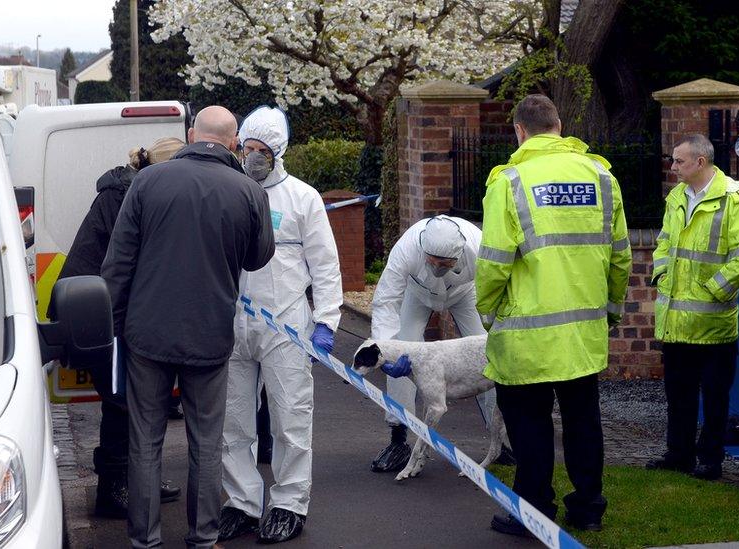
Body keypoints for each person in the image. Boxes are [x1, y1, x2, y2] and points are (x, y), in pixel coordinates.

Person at [101, 105, 275, 549]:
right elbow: (258, 257)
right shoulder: (249, 191)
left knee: (145, 441)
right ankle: (202, 538)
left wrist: (113, 328)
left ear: (192, 133)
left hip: (147, 334)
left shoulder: (147, 182)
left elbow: (117, 264)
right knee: (206, 442)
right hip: (210, 334)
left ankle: (145, 539)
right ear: (233, 143)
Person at [475, 94, 631, 536]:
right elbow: (620, 256)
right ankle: (588, 509)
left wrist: (488, 313)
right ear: (559, 126)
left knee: (529, 426)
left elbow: (493, 262)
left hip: (527, 335)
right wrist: (611, 312)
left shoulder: (509, 181)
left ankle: (534, 511)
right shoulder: (602, 176)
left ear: (519, 131)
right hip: (583, 332)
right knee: (583, 422)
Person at [217, 106, 342, 544]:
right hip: (234, 323)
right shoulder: (229, 192)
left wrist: (327, 320)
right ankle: (242, 502)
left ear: (278, 152)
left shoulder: (302, 198)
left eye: (261, 150)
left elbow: (325, 265)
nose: (252, 156)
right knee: (233, 421)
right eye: (246, 148)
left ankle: (289, 503)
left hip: (286, 324)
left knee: (289, 418)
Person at [55, 137, 184, 519]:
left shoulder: (130, 191)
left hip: (106, 313)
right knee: (121, 404)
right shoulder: (125, 197)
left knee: (138, 402)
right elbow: (131, 265)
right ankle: (112, 490)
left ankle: (137, 479)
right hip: (100, 319)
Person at [645, 134, 739, 481]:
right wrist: (661, 271)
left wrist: (716, 288)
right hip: (676, 320)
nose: (673, 166)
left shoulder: (734, 200)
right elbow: (664, 241)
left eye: (679, 161)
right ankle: (678, 454)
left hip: (713, 324)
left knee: (714, 398)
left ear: (701, 162)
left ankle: (710, 460)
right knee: (677, 394)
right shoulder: (677, 197)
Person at [368, 215, 510, 472]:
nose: (436, 266)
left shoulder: (479, 247)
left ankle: (502, 442)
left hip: (466, 292)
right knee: (400, 350)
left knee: (492, 357)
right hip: (417, 293)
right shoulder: (406, 248)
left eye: (444, 263)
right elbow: (386, 300)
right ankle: (398, 439)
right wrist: (384, 348)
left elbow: (497, 291)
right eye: (431, 260)